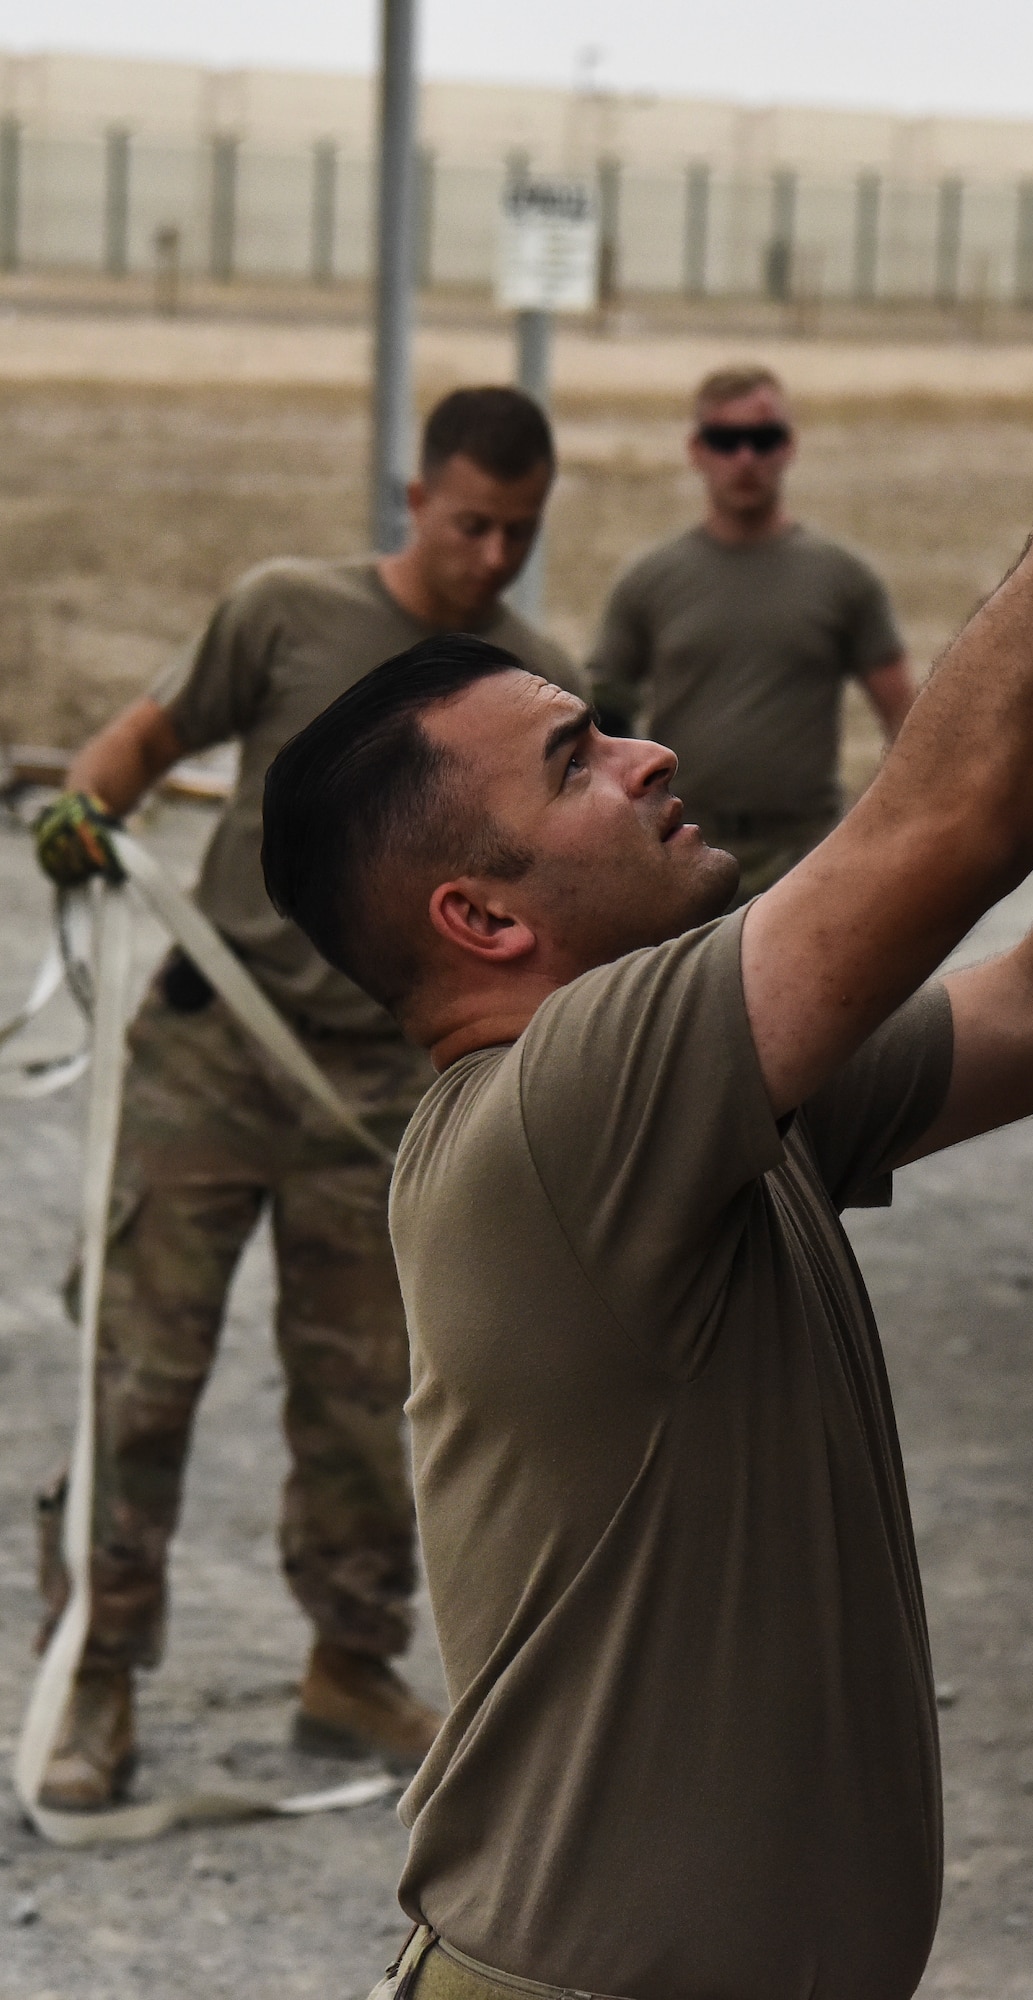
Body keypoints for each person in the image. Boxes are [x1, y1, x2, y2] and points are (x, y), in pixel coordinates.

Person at [259, 196, 1033, 2000]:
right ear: (483, 917)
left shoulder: (687, 1101)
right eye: (583, 761)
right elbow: (958, 815)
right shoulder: (558, 1116)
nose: (651, 750)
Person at [28, 385, 584, 1810]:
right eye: (472, 524)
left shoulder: (526, 682)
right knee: (139, 1378)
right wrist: (82, 819)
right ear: (416, 498)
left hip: (383, 1095)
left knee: (366, 1401)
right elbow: (143, 742)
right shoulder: (285, 612)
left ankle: (351, 1664)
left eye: (520, 532)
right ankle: (94, 1670)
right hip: (214, 1057)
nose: (493, 560)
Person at [588, 364, 918, 901]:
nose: (745, 458)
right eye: (726, 440)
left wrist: (885, 838)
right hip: (683, 853)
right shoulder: (648, 583)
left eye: (763, 440)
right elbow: (601, 723)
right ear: (697, 450)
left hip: (807, 860)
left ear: (788, 447)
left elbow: (907, 724)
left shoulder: (843, 580)